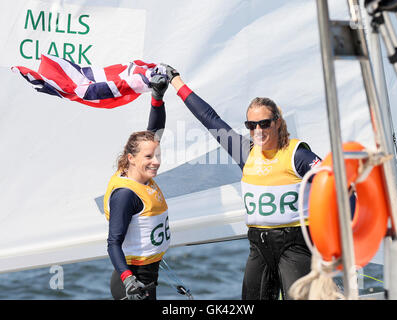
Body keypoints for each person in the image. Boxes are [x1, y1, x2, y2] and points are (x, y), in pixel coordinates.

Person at [161, 64, 322, 300]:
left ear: (277, 122)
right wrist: (176, 81)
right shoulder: (244, 151)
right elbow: (209, 118)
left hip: (295, 245)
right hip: (259, 246)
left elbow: (334, 184)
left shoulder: (297, 154)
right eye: (251, 125)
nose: (258, 130)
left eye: (264, 123)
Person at [103, 74, 169, 300]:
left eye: (157, 155)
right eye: (149, 156)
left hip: (149, 276)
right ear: (131, 158)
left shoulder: (143, 177)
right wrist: (129, 280)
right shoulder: (125, 195)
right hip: (133, 283)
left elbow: (155, 130)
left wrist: (157, 98)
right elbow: (113, 243)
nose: (156, 161)